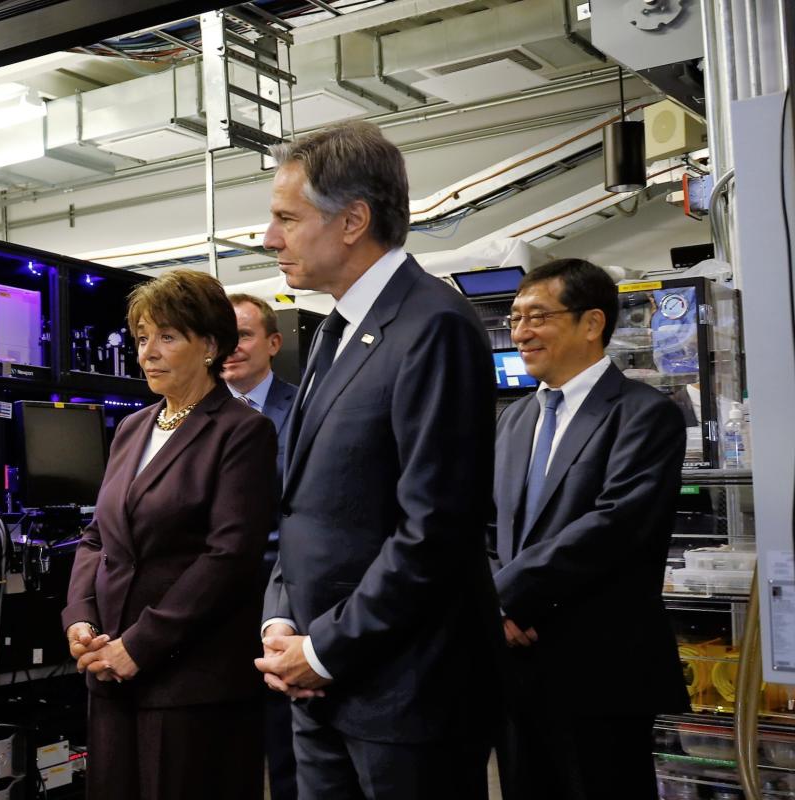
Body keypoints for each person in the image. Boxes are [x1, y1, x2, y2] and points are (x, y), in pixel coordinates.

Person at [252, 120, 500, 800]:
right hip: (321, 686)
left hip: (404, 697)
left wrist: (325, 648)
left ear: (353, 220)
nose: (269, 238)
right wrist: (282, 619)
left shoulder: (432, 326)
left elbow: (436, 529)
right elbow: (304, 505)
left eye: (285, 218)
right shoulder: (337, 331)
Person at [62, 270, 278, 799]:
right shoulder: (133, 427)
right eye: (141, 338)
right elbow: (97, 537)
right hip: (110, 671)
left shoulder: (242, 430)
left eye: (167, 337)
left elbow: (229, 556)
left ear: (208, 344)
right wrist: (81, 621)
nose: (148, 353)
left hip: (191, 680)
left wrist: (140, 644)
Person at [490, 259, 687, 799]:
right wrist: (494, 604)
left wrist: (504, 597)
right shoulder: (513, 420)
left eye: (537, 316)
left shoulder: (644, 415)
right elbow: (483, 523)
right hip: (515, 665)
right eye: (514, 319)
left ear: (592, 322)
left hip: (600, 669)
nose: (521, 333)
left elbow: (615, 525)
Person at [223, 292, 300, 800]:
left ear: (273, 343)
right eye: (224, 337)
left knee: (288, 749)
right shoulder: (191, 415)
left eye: (245, 335)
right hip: (213, 606)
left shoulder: (305, 410)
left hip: (282, 602)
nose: (232, 347)